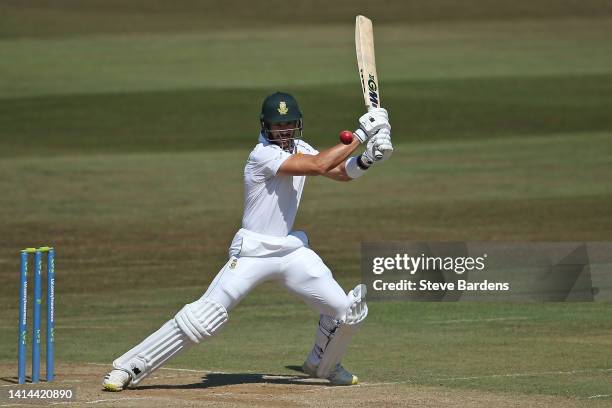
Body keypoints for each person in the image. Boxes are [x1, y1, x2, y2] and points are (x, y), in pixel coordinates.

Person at [103, 92, 393, 390]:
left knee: (347, 310)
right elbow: (319, 165)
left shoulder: (300, 147)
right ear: (265, 126)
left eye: (289, 124)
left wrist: (368, 159)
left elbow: (338, 172)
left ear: (297, 124)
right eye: (277, 125)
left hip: (290, 251)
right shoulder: (262, 154)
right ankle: (128, 368)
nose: (283, 130)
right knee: (204, 318)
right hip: (253, 252)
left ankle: (323, 363)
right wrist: (361, 134)